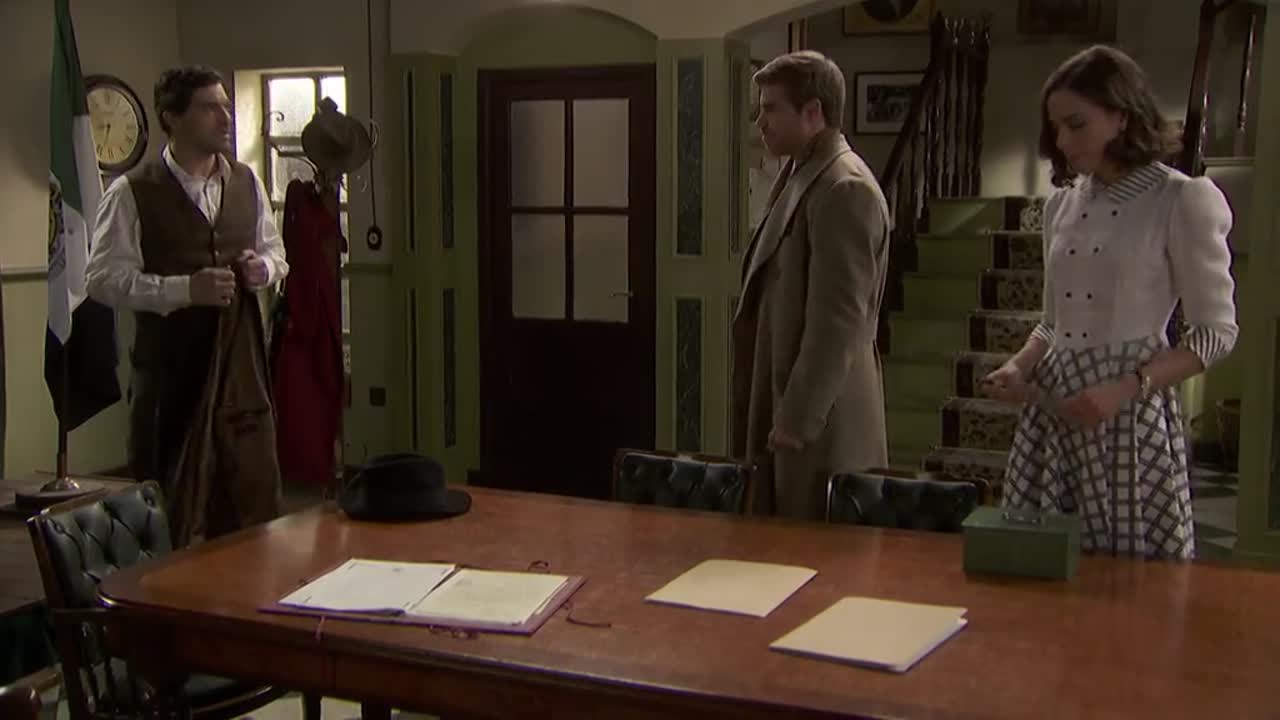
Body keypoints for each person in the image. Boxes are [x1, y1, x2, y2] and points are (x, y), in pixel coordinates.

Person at [983, 45, 1237, 559]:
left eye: (1076, 124)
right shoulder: (1061, 205)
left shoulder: (1179, 198)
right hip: (1056, 410)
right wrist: (1019, 365)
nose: (1062, 141)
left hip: (1128, 413)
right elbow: (1053, 322)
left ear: (1122, 117)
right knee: (1043, 563)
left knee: (1130, 574)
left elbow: (1216, 334)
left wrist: (1126, 388)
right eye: (1056, 127)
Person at [86, 65, 289, 546]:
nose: (225, 117)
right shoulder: (133, 192)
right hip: (172, 378)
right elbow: (102, 281)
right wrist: (183, 290)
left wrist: (262, 269)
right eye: (209, 107)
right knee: (170, 514)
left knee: (251, 510)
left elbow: (276, 252)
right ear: (172, 117)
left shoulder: (247, 182)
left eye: (226, 105)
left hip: (241, 377)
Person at [730, 51, 891, 520]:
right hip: (783, 392)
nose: (760, 121)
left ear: (813, 112)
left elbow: (838, 321)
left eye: (771, 108)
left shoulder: (844, 188)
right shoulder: (802, 170)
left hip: (821, 417)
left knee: (815, 544)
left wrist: (798, 419)